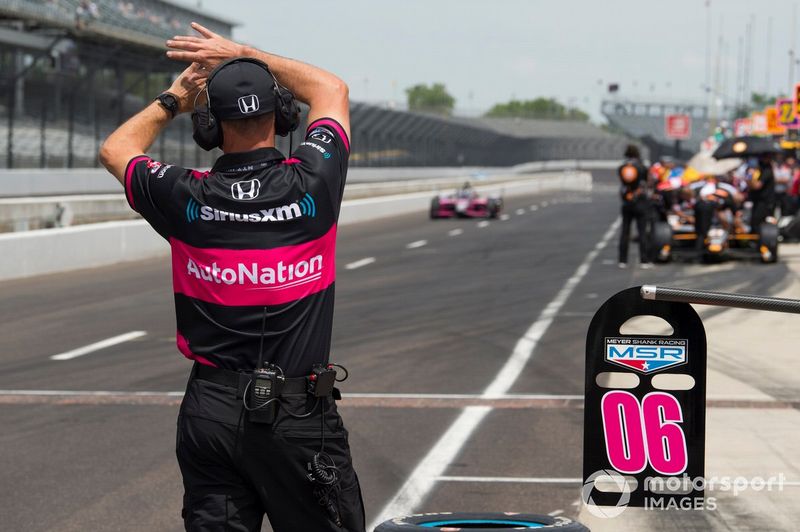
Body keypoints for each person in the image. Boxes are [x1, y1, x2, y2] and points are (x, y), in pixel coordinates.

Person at [99, 22, 364, 532]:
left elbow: (116, 148)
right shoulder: (316, 180)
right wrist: (241, 53)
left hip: (211, 411)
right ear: (284, 116)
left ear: (209, 129)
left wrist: (175, 97)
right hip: (297, 414)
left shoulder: (185, 194)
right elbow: (331, 89)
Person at [617, 144, 653, 268]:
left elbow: (623, 185)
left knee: (625, 231)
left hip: (627, 202)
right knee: (642, 232)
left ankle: (622, 260)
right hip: (640, 202)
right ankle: (644, 260)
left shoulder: (622, 167)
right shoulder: (642, 167)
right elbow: (646, 184)